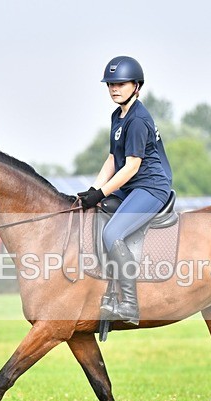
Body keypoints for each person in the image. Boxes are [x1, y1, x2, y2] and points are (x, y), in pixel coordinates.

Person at [77, 56, 173, 325]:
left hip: (150, 187)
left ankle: (129, 305)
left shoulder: (138, 119)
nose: (114, 89)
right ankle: (107, 292)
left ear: (136, 85)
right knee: (96, 217)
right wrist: (93, 191)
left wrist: (103, 192)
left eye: (120, 83)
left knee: (113, 232)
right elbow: (112, 160)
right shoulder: (118, 116)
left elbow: (131, 167)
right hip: (131, 187)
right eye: (110, 84)